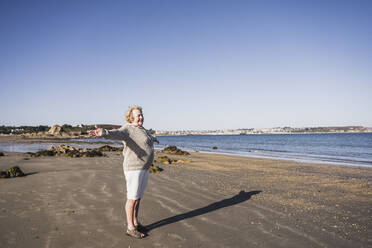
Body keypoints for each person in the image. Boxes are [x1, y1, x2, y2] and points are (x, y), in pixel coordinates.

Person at [89, 106, 158, 239]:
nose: (141, 117)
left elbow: (145, 139)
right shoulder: (128, 128)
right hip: (134, 168)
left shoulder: (142, 129)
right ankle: (130, 228)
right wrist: (103, 133)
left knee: (138, 198)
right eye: (138, 115)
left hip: (144, 168)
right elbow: (116, 133)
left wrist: (153, 139)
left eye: (142, 115)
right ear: (131, 117)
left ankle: (136, 223)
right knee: (132, 199)